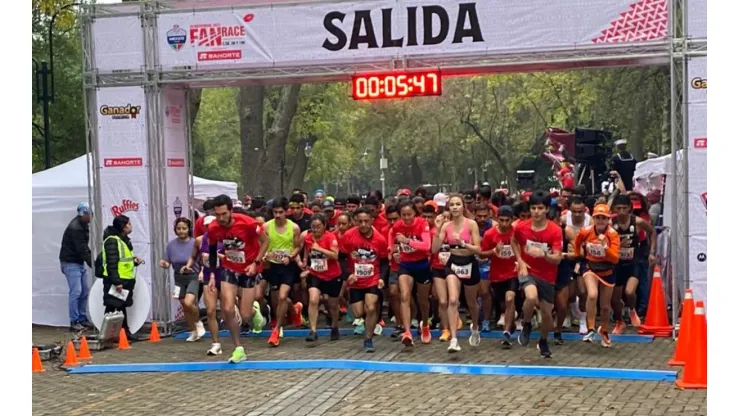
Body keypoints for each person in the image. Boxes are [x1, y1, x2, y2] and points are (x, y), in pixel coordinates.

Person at [206, 194, 268, 363]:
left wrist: (256, 263)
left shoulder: (247, 223)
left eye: (224, 214)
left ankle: (256, 314)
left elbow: (265, 241)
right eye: (217, 214)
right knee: (227, 309)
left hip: (248, 269)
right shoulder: (213, 227)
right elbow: (212, 250)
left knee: (245, 316)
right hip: (229, 268)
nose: (221, 218)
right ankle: (238, 348)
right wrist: (212, 274)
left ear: (231, 211)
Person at [511, 190, 563, 358]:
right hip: (528, 271)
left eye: (540, 208)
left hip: (548, 275)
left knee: (547, 315)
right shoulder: (521, 227)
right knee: (531, 297)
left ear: (547, 209)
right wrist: (520, 260)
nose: (536, 212)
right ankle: (526, 323)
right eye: (533, 208)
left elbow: (557, 258)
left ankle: (543, 340)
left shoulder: (555, 231)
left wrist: (544, 254)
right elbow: (513, 240)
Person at [432, 194, 482, 352]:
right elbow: (434, 249)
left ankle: (475, 327)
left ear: (463, 206)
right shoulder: (446, 226)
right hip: (453, 263)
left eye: (457, 204)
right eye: (451, 204)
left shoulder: (471, 224)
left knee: (471, 302)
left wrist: (464, 244)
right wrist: (438, 228)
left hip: (469, 263)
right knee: (452, 300)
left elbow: (478, 249)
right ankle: (453, 339)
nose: (454, 207)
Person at [573, 203, 620, 347]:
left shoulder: (612, 234)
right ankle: (591, 328)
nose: (600, 221)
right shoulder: (585, 231)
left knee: (605, 306)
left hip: (607, 270)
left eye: (604, 218)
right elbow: (577, 241)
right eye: (598, 218)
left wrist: (605, 247)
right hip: (590, 267)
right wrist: (577, 256)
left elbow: (615, 259)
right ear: (593, 218)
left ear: (608, 220)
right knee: (592, 295)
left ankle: (604, 330)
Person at [344, 208, 390, 352]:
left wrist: (382, 278)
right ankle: (372, 320)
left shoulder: (380, 239)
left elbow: (383, 261)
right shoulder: (348, 236)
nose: (363, 224)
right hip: (356, 280)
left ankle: (368, 339)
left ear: (371, 221)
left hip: (372, 278)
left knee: (370, 307)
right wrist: (347, 275)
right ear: (355, 221)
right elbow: (340, 258)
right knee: (358, 313)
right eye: (360, 221)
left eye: (366, 221)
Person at [610, 195, 657, 333]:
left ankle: (632, 310)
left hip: (633, 262)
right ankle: (619, 321)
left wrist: (652, 251)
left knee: (630, 291)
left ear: (630, 209)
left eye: (625, 208)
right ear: (613, 209)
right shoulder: (611, 224)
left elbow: (652, 232)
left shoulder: (638, 222)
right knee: (615, 298)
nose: (622, 212)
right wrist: (616, 245)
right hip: (617, 263)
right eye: (618, 209)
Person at [264, 197, 304, 347]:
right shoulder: (267, 227)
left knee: (282, 296)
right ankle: (295, 308)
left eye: (281, 212)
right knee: (277, 299)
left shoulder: (294, 228)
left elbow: (297, 246)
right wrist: (265, 255)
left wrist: (291, 256)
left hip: (287, 266)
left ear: (286, 212)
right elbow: (261, 245)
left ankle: (276, 330)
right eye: (275, 212)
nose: (278, 215)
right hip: (272, 266)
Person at [392, 200, 432, 347]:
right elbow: (393, 241)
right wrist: (394, 252)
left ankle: (425, 325)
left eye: (409, 214)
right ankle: (407, 332)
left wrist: (408, 241)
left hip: (421, 265)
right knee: (404, 296)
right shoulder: (397, 225)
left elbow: (426, 245)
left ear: (415, 213)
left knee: (423, 300)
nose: (407, 218)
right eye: (403, 215)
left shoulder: (422, 224)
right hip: (406, 265)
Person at [298, 213, 342, 341]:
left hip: (333, 275)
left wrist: (320, 249)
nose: (316, 229)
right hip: (315, 274)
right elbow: (307, 250)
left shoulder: (330, 238)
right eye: (313, 226)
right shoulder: (308, 238)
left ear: (324, 226)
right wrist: (305, 261)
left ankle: (335, 326)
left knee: (332, 304)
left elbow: (335, 255)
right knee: (313, 300)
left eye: (318, 226)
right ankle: (313, 330)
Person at [185, 216, 224, 355]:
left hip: (225, 276)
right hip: (209, 276)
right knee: (210, 311)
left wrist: (217, 256)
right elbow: (193, 256)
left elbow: (232, 258)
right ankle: (216, 343)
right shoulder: (200, 240)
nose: (209, 228)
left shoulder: (224, 238)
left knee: (228, 311)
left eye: (211, 225)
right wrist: (188, 265)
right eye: (206, 226)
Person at [160, 218, 205, 342]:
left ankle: (197, 322)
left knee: (189, 302)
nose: (181, 231)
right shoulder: (171, 245)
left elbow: (202, 260)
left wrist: (202, 272)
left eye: (184, 228)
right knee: (184, 306)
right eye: (178, 228)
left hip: (193, 276)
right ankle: (193, 331)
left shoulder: (194, 243)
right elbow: (167, 261)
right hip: (178, 278)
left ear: (189, 229)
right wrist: (164, 263)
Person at [101, 215, 144, 341]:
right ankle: (114, 334)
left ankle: (120, 333)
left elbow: (123, 260)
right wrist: (116, 281)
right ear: (123, 226)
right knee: (113, 307)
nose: (131, 226)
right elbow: (111, 263)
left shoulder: (123, 240)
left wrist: (134, 261)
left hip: (124, 279)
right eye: (129, 224)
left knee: (119, 306)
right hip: (117, 280)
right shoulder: (113, 241)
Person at [481, 205, 518, 348]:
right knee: (504, 304)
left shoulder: (516, 232)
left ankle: (506, 332)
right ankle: (511, 323)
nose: (504, 224)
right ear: (497, 219)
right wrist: (494, 250)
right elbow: (481, 254)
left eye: (507, 220)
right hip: (496, 274)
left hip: (513, 272)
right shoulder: (490, 234)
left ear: (512, 220)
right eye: (501, 220)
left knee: (510, 298)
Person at [59, 202, 93, 331]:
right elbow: (82, 249)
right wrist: (92, 263)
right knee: (76, 292)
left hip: (76, 262)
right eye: (90, 214)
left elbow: (83, 248)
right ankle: (74, 321)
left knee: (83, 291)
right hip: (71, 262)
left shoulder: (82, 225)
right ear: (83, 215)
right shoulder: (76, 228)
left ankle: (82, 318)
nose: (92, 217)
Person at [473, 203, 494, 332]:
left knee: (485, 292)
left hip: (488, 262)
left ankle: (486, 320)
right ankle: (475, 320)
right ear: (474, 214)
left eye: (485, 216)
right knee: (473, 294)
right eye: (479, 216)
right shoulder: (470, 225)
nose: (482, 219)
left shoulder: (494, 226)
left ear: (489, 214)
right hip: (472, 262)